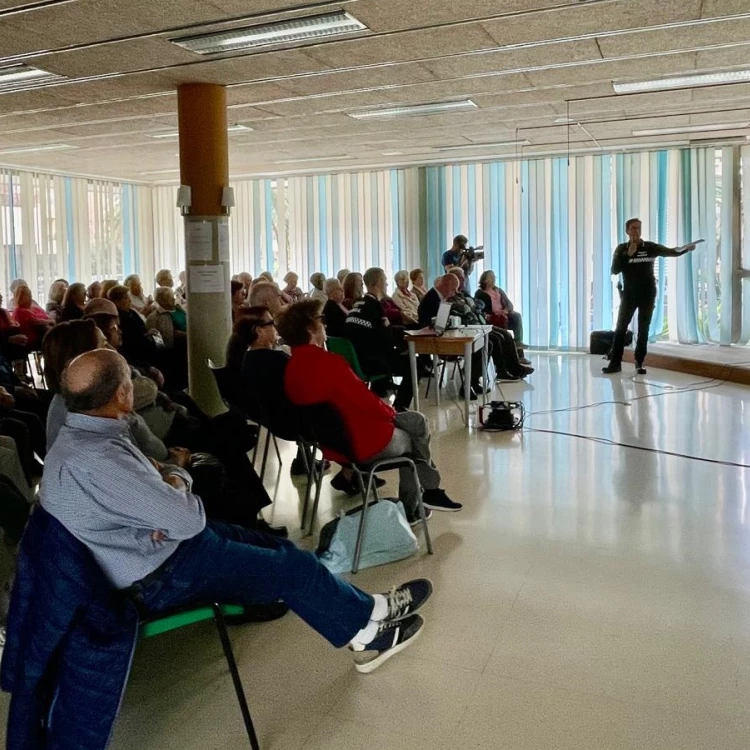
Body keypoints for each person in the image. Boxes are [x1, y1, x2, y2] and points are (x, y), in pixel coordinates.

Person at [41, 348, 430, 673]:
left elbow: (156, 506)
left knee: (286, 552)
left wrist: (161, 500)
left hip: (156, 547)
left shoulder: (81, 438)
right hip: (159, 573)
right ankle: (368, 638)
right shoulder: (99, 458)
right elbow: (187, 517)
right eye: (129, 380)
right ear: (121, 394)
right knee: (292, 570)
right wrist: (175, 477)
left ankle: (372, 609)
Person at [279, 299, 461, 518]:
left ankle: (429, 492)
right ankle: (415, 504)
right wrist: (392, 415)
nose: (325, 325)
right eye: (322, 320)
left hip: (334, 444)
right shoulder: (329, 364)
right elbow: (366, 401)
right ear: (310, 328)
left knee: (416, 421)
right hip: (363, 441)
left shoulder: (291, 369)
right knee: (415, 435)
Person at [603, 218, 698, 375]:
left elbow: (671, 251)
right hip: (629, 295)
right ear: (627, 231)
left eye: (639, 228)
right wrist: (628, 255)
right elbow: (614, 270)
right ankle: (615, 363)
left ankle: (639, 363)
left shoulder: (650, 247)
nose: (636, 231)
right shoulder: (621, 249)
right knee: (620, 329)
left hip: (647, 294)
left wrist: (686, 249)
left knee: (644, 329)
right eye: (633, 228)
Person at [343, 267, 415, 412]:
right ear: (376, 284)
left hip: (355, 359)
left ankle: (378, 401)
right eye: (385, 281)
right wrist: (398, 341)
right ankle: (400, 408)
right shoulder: (375, 308)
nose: (387, 285)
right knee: (413, 365)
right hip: (370, 362)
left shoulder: (358, 305)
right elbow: (386, 342)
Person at [448, 268, 533, 382]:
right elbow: (473, 309)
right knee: (498, 338)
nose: (464, 279)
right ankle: (502, 371)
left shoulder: (464, 293)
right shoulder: (455, 296)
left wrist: (505, 311)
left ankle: (515, 367)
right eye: (461, 277)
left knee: (507, 332)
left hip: (481, 322)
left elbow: (475, 306)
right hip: (479, 323)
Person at [475, 270, 529, 361]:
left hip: (504, 313)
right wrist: (492, 314)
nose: (493, 279)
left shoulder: (498, 290)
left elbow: (509, 304)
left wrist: (506, 310)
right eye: (491, 277)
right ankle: (508, 357)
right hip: (492, 317)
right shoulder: (480, 293)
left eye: (494, 277)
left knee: (517, 316)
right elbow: (479, 309)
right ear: (484, 280)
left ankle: (519, 347)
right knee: (502, 321)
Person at [12, 285, 53, 350]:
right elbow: (36, 321)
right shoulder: (20, 311)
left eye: (30, 295)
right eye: (28, 295)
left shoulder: (26, 309)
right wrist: (51, 321)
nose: (31, 298)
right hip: (30, 342)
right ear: (20, 297)